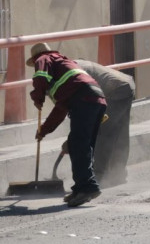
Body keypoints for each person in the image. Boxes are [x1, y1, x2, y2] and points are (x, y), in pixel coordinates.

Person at [27, 42, 107, 207]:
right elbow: (60, 109)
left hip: (84, 101)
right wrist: (44, 130)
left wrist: (38, 97)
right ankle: (80, 188)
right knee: (81, 145)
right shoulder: (63, 66)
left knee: (79, 145)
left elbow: (40, 77)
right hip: (96, 100)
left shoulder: (43, 58)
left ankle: (88, 187)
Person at [75, 59, 135, 187]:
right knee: (120, 130)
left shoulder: (70, 73)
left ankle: (99, 176)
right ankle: (118, 173)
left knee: (104, 133)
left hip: (115, 91)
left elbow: (87, 101)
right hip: (126, 84)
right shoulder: (73, 65)